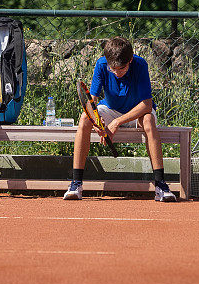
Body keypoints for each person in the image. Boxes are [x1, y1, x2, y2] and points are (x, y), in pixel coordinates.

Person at [64, 36, 177, 202]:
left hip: (136, 112)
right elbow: (92, 101)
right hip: (110, 109)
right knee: (84, 119)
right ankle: (76, 183)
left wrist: (116, 123)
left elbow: (146, 105)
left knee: (149, 121)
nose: (117, 72)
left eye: (122, 68)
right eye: (113, 69)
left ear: (130, 60)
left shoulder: (140, 65)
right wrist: (97, 122)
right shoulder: (101, 64)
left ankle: (161, 185)